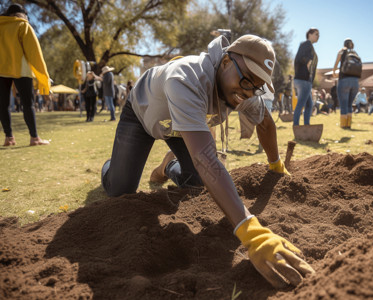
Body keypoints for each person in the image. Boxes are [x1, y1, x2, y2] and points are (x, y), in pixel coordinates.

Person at [101, 34, 315, 288]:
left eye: (255, 87)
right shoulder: (186, 78)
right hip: (143, 116)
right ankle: (114, 166)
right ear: (225, 62)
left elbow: (266, 124)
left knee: (196, 182)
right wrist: (251, 231)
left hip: (183, 129)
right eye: (246, 80)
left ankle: (168, 166)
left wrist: (275, 163)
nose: (247, 92)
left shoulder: (244, 90)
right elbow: (206, 158)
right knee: (120, 189)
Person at [0, 3, 50, 146]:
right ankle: (34, 138)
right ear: (22, 15)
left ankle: (9, 138)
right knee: (28, 104)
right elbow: (34, 52)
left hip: (1, 69)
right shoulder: (23, 25)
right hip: (20, 69)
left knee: (2, 105)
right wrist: (43, 76)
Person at [293, 28, 319, 125]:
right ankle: (296, 126)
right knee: (301, 104)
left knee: (309, 104)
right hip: (303, 79)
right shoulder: (306, 44)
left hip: (303, 79)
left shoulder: (308, 46)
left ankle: (306, 126)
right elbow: (300, 58)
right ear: (309, 34)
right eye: (316, 34)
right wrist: (308, 63)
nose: (318, 36)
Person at [332, 38, 361, 128]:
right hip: (355, 82)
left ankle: (343, 125)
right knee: (349, 104)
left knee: (343, 104)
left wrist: (334, 72)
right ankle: (348, 124)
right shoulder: (355, 53)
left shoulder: (342, 51)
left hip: (344, 80)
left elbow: (336, 63)